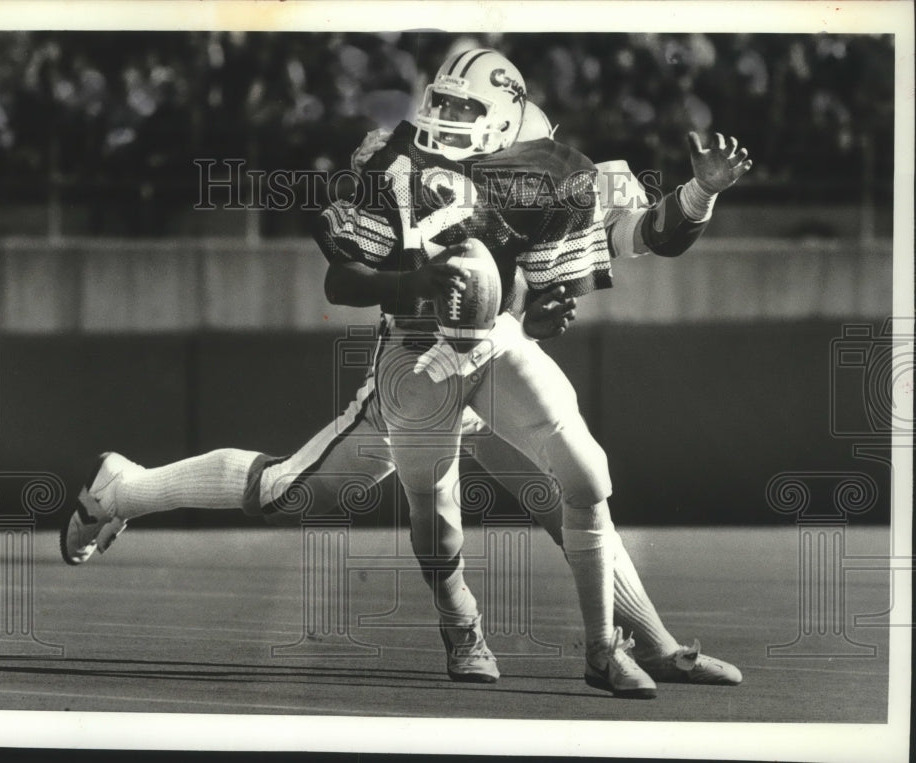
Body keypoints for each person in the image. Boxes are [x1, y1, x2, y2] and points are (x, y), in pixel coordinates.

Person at [62, 47, 751, 695]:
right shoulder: (395, 162)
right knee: (291, 491)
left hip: (494, 346)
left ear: (508, 116)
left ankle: (647, 642)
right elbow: (341, 280)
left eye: (465, 110)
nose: (447, 122)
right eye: (442, 105)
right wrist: (414, 283)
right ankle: (121, 487)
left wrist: (699, 193)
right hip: (419, 356)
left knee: (569, 488)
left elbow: (637, 236)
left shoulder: (551, 164)